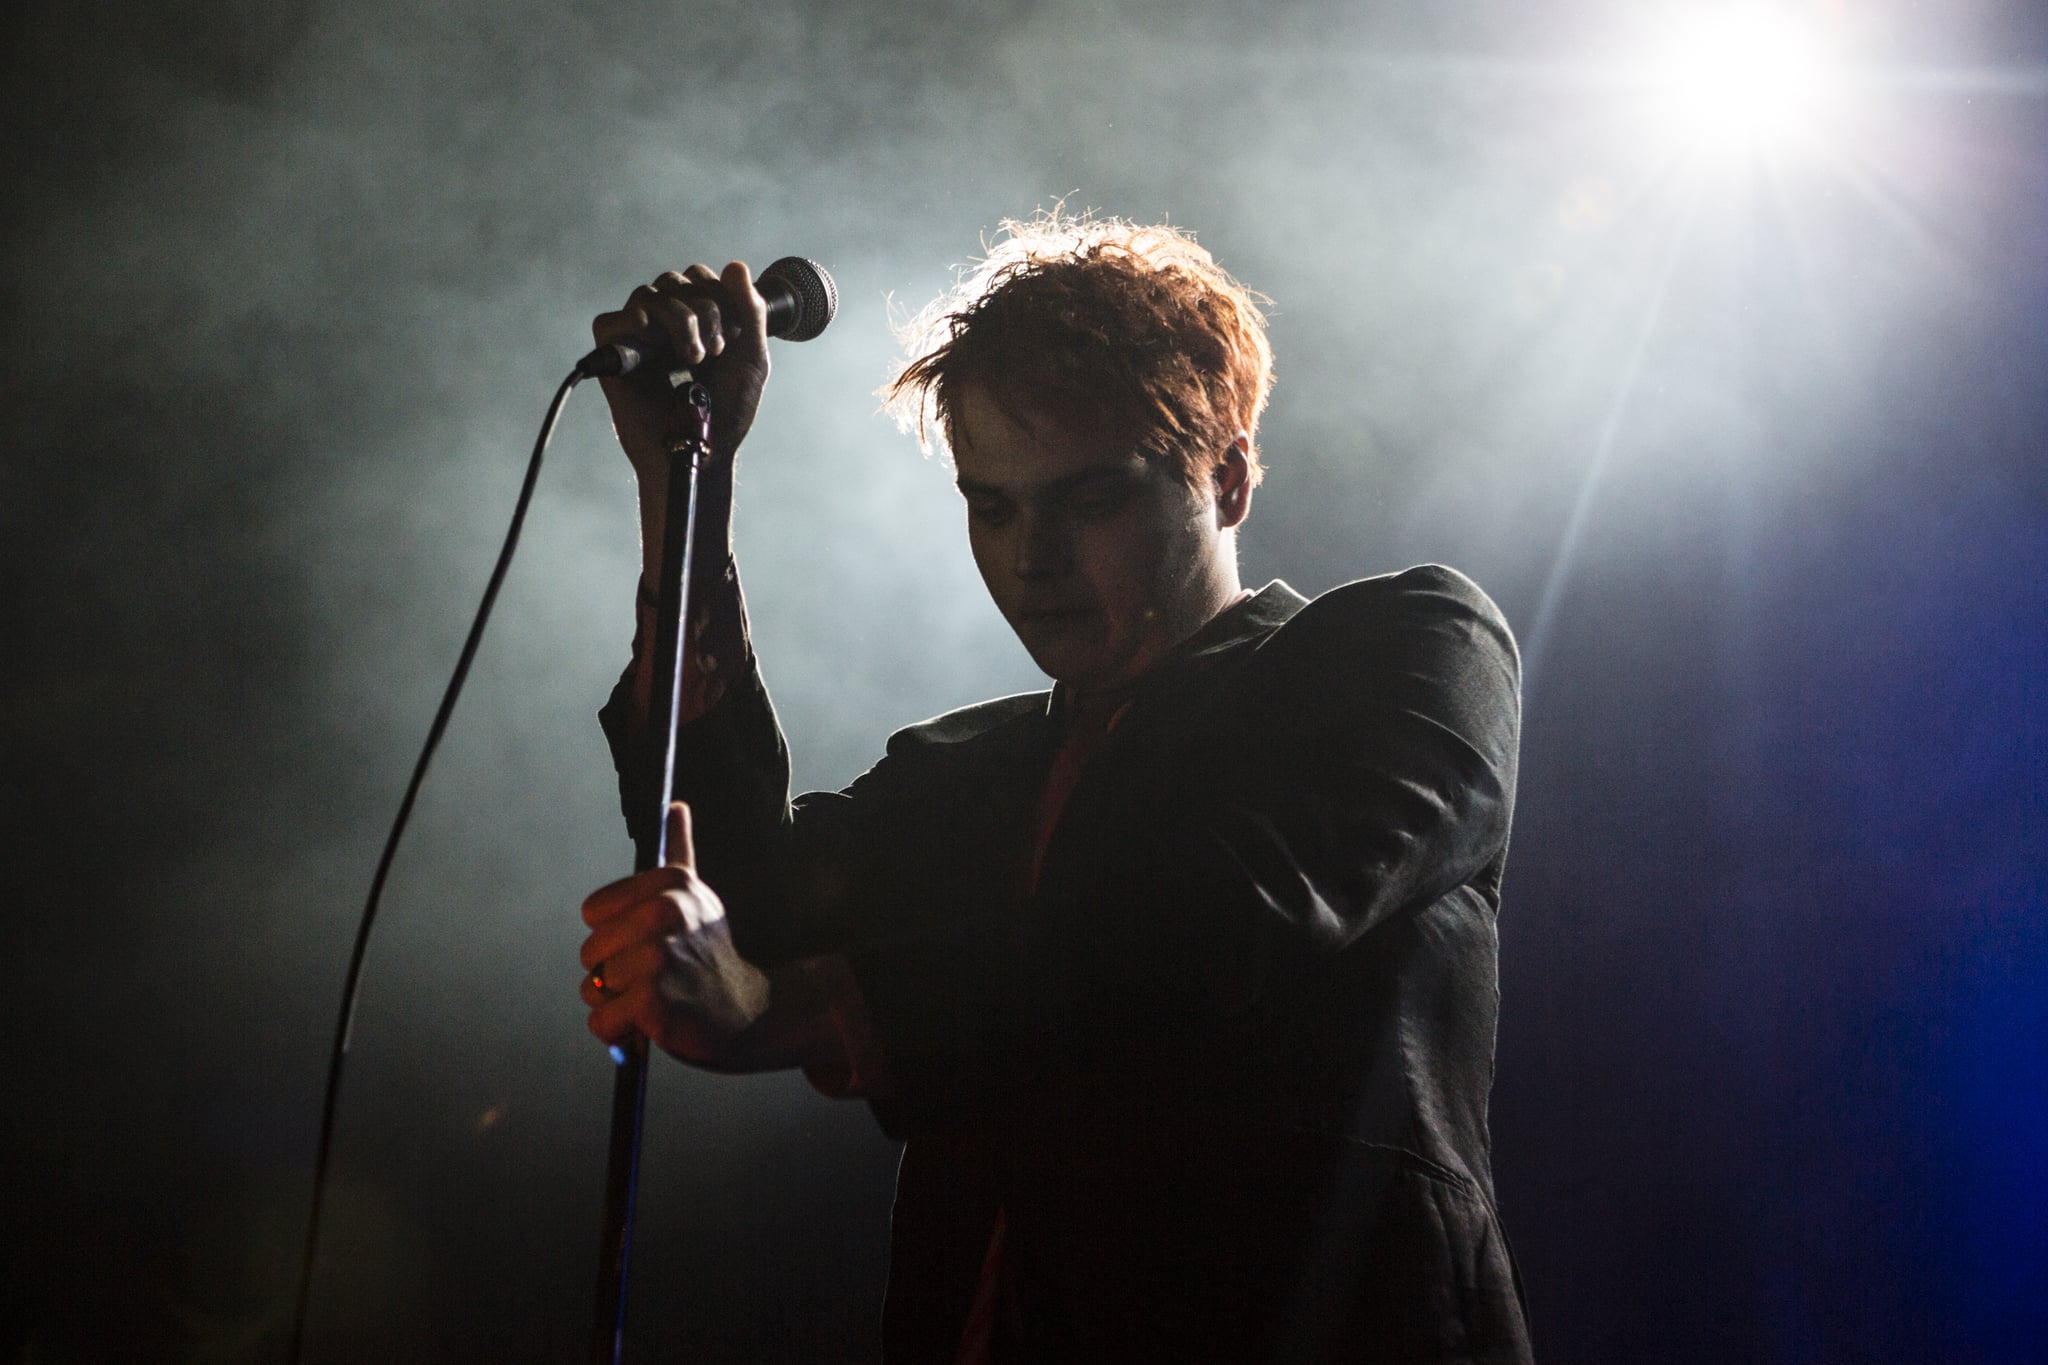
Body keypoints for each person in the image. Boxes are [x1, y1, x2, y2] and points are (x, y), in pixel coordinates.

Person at [574, 214, 1533, 1363]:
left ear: (1224, 478)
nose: (1030, 558)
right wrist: (690, 478)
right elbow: (749, 907)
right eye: (992, 505)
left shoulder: (1409, 647)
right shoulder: (960, 775)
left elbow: (1216, 914)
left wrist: (797, 1008)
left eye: (1088, 501)